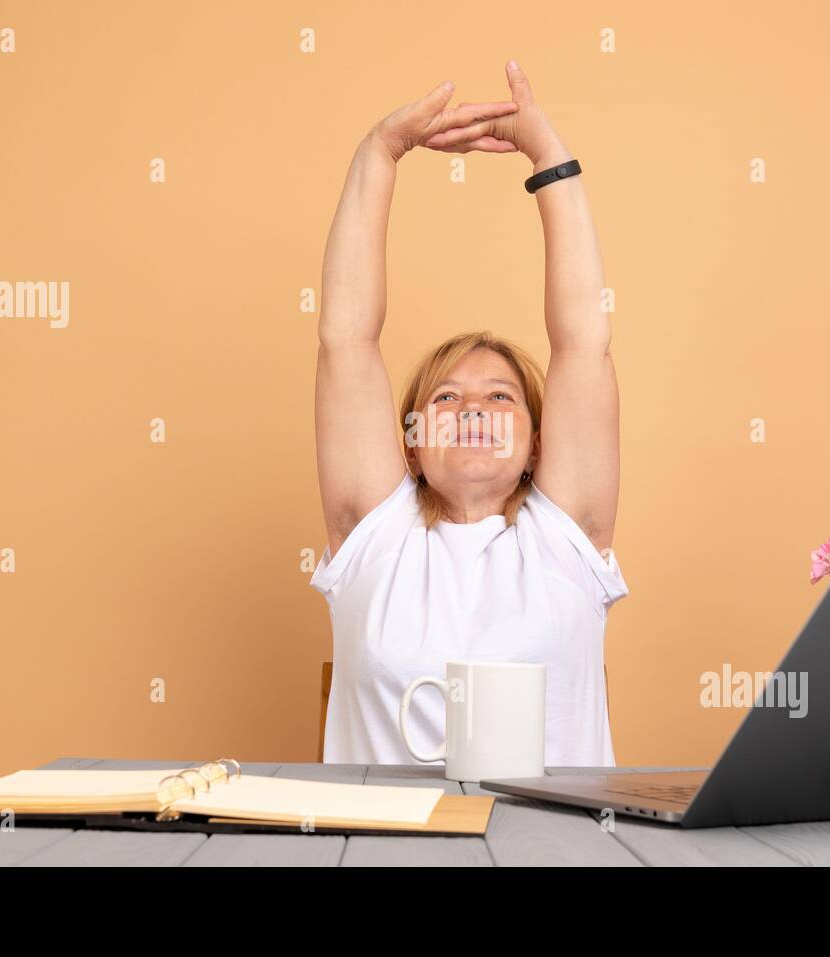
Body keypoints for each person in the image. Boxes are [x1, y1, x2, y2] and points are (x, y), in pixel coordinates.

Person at [311, 61, 627, 767]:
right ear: (412, 446)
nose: (474, 407)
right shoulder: (375, 535)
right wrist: (379, 152)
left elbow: (584, 339)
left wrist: (549, 159)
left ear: (540, 445)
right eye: (446, 397)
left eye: (501, 396)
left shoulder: (565, 538)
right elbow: (345, 338)